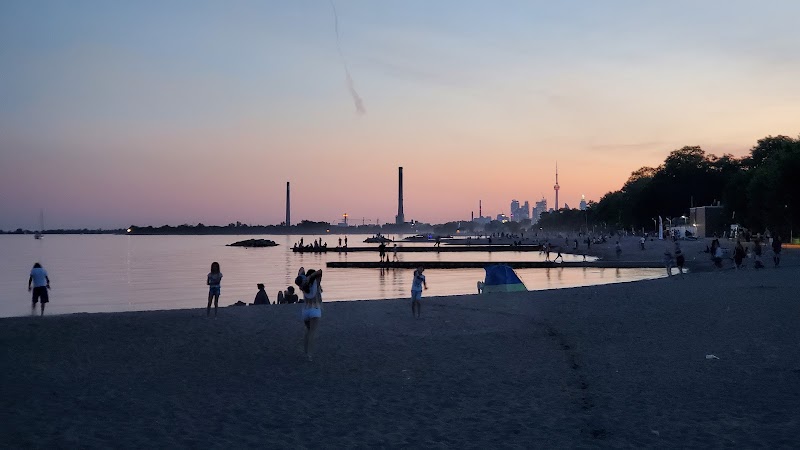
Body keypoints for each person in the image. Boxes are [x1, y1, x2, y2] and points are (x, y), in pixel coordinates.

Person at [295, 267, 323, 360]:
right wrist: (311, 276)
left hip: (305, 311)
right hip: (315, 310)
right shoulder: (316, 283)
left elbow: (301, 269)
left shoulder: (302, 285)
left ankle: (306, 351)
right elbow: (320, 271)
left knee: (307, 331)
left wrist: (304, 276)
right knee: (312, 333)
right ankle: (309, 355)